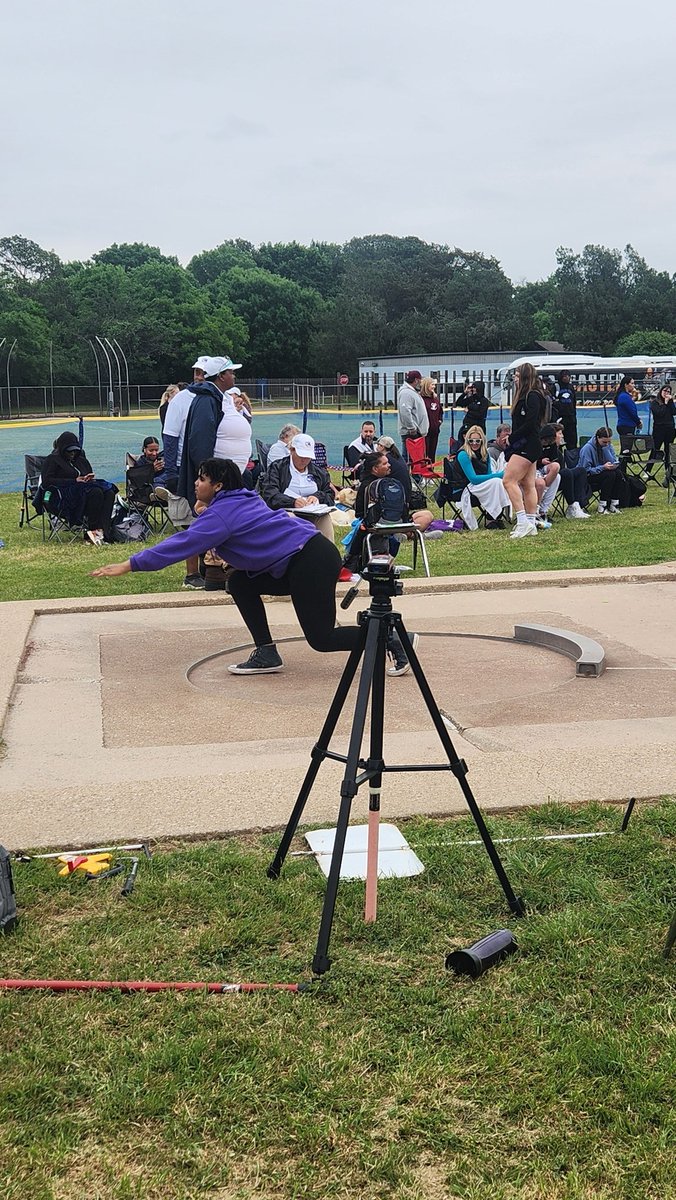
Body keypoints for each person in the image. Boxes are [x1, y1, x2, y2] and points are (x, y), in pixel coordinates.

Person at [92, 457, 418, 678]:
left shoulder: (221, 515)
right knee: (240, 583)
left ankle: (391, 638)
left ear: (217, 485)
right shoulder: (242, 498)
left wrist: (130, 564)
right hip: (308, 554)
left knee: (322, 638)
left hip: (310, 560)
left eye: (201, 479)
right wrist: (207, 511)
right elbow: (225, 523)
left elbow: (180, 545)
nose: (195, 483)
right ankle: (266, 653)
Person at [178, 355, 248, 506]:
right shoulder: (206, 400)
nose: (233, 375)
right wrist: (208, 478)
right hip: (216, 483)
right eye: (230, 372)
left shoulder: (220, 397)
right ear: (221, 376)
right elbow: (200, 443)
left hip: (225, 481)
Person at [40, 431, 117, 545]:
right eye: (69, 451)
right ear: (62, 449)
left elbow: (87, 472)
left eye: (75, 450)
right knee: (96, 492)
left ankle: (104, 531)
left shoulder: (80, 459)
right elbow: (47, 482)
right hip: (62, 496)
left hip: (82, 490)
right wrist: (73, 480)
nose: (72, 453)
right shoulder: (52, 460)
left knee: (109, 491)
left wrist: (87, 478)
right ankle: (91, 531)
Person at [261, 433, 335, 541]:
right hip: (286, 512)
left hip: (313, 513)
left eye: (308, 457)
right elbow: (270, 494)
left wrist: (318, 497)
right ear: (292, 450)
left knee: (325, 519)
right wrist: (292, 502)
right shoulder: (277, 468)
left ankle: (329, 555)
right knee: (292, 519)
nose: (304, 460)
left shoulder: (320, 473)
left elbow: (329, 495)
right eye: (301, 456)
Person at [502, 363, 546, 538]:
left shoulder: (532, 396)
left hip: (527, 445)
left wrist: (512, 438)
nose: (515, 378)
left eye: (517, 375)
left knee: (508, 480)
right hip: (527, 444)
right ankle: (530, 522)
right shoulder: (524, 396)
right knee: (528, 484)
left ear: (525, 377)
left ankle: (522, 521)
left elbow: (530, 424)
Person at [456, 426, 509, 530]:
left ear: (482, 441)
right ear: (467, 440)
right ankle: (492, 518)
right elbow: (473, 479)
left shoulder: (485, 454)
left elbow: (489, 474)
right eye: (471, 441)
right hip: (467, 488)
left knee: (499, 483)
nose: (474, 443)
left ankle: (495, 517)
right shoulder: (463, 454)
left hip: (482, 486)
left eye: (477, 441)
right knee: (497, 482)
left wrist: (497, 477)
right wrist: (500, 475)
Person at [539, 423, 590, 519]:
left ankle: (577, 505)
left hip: (558, 475)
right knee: (566, 473)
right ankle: (571, 505)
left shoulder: (555, 448)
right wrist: (541, 462)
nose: (562, 436)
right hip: (545, 476)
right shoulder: (539, 446)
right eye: (560, 433)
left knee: (581, 471)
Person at [578, 427, 624, 514]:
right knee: (610, 475)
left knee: (618, 473)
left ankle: (614, 504)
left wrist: (606, 451)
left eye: (609, 442)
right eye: (604, 442)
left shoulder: (608, 446)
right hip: (588, 477)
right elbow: (585, 470)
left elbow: (613, 460)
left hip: (603, 473)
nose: (607, 444)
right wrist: (603, 467)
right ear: (597, 438)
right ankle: (602, 506)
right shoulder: (587, 449)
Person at [397, 370, 429, 458]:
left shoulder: (412, 392)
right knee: (409, 458)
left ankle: (414, 472)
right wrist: (411, 428)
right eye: (420, 380)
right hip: (411, 433)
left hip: (416, 432)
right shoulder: (406, 393)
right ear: (416, 380)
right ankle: (406, 472)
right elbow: (405, 412)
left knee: (416, 458)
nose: (421, 383)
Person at [649, 383, 675, 471]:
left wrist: (670, 402)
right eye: (665, 391)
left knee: (668, 450)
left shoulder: (670, 402)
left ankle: (667, 470)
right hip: (659, 429)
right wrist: (665, 403)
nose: (666, 393)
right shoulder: (654, 403)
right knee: (655, 449)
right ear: (661, 391)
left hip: (670, 429)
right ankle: (648, 469)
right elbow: (660, 413)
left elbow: (674, 412)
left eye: (668, 391)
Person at [614, 375, 642, 452]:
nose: (633, 385)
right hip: (627, 426)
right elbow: (632, 412)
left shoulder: (623, 396)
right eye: (632, 383)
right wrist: (638, 422)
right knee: (626, 451)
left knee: (625, 450)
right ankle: (622, 463)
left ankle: (622, 463)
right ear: (626, 385)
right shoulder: (624, 396)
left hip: (623, 425)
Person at [553, 371, 578, 448]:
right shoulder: (556, 387)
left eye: (568, 376)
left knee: (572, 442)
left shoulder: (571, 387)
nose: (566, 377)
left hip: (570, 418)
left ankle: (571, 459)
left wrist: (573, 416)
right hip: (560, 418)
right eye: (564, 376)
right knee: (558, 443)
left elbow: (574, 402)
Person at [420, 377, 443, 460]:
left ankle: (431, 471)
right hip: (424, 432)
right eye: (432, 384)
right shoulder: (421, 399)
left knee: (432, 454)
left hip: (435, 430)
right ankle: (423, 471)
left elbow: (440, 411)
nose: (434, 386)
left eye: (434, 385)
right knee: (424, 454)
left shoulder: (435, 399)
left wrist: (439, 422)